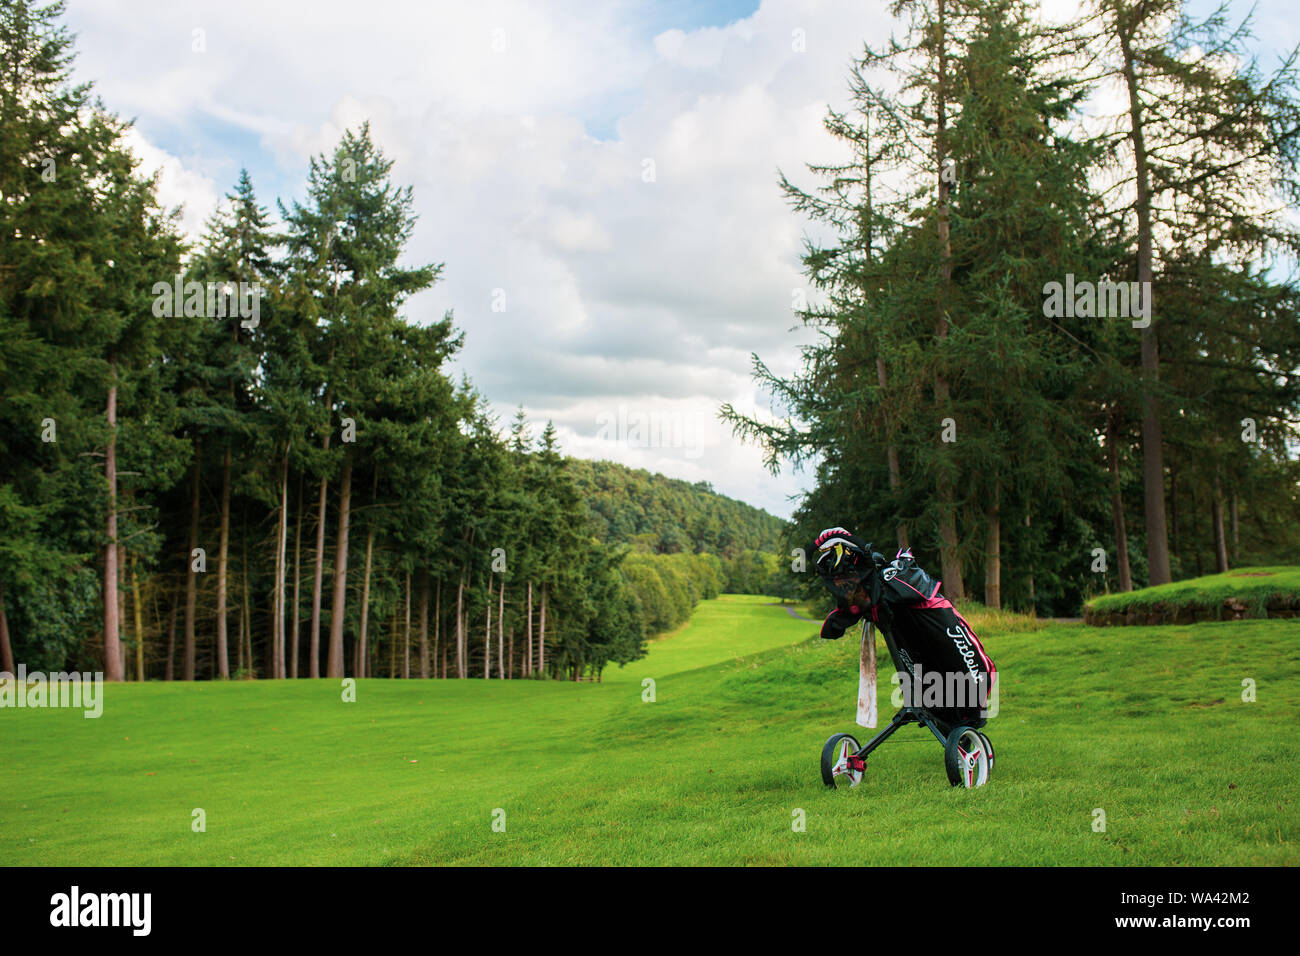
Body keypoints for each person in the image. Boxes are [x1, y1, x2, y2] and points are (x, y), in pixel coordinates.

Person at [811, 526, 997, 731]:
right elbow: (834, 626)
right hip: (931, 683)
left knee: (961, 695)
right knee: (941, 700)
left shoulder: (892, 578)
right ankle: (956, 725)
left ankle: (962, 725)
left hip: (962, 674)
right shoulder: (870, 595)